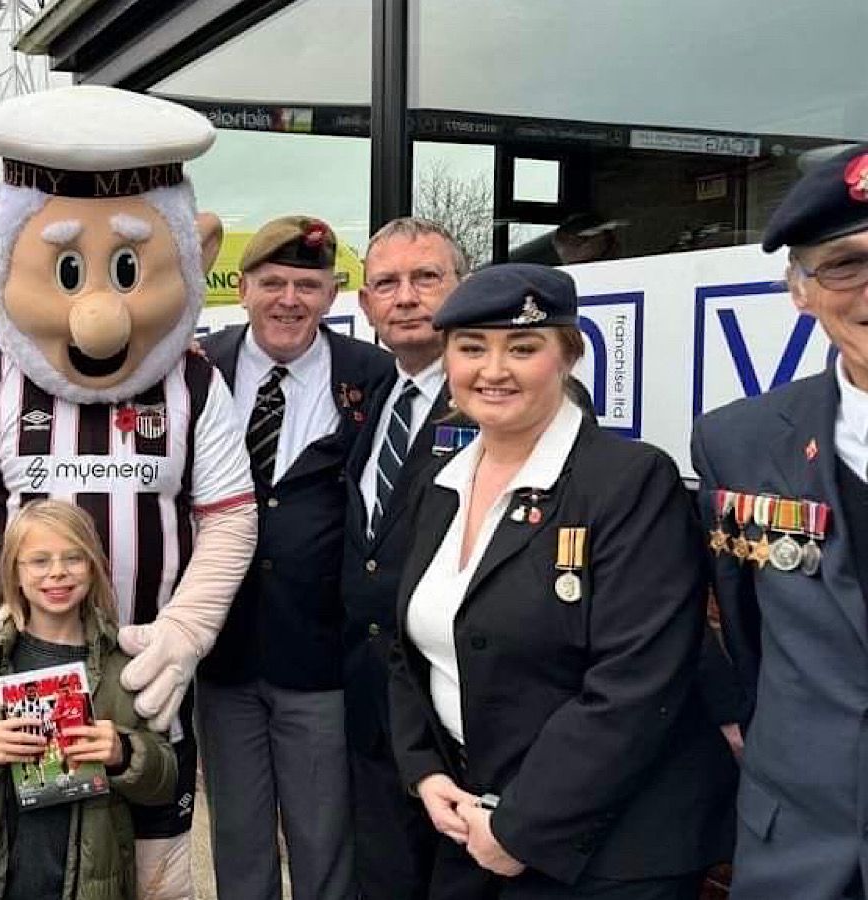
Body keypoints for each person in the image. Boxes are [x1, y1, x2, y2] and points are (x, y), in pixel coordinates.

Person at [0, 86, 258, 899]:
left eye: (131, 268)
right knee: (27, 866)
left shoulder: (197, 387)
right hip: (21, 696)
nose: (99, 317)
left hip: (140, 695)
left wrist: (187, 628)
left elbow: (229, 520)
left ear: (195, 250)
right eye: (65, 271)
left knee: (153, 870)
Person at [389, 263, 734, 899]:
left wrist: (522, 826)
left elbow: (633, 683)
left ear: (568, 357)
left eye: (523, 348)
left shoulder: (630, 482)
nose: (493, 371)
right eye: (471, 349)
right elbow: (410, 644)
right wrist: (424, 770)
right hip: (472, 822)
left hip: (612, 849)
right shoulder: (443, 483)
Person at [194, 215, 392, 900]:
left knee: (323, 844)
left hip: (321, 657)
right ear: (242, 288)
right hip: (221, 655)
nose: (289, 299)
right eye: (272, 282)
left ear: (333, 294)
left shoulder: (374, 377)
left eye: (307, 285)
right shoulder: (197, 369)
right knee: (239, 845)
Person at [693, 143, 868, 900]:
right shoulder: (740, 440)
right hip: (797, 848)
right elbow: (746, 631)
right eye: (845, 264)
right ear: (800, 291)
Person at [0, 500, 177, 900]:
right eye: (39, 561)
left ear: (92, 567)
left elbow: (164, 782)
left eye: (73, 558)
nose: (57, 572)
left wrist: (124, 752)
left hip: (90, 883)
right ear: (15, 573)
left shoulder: (124, 664)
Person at [344, 217, 469, 899]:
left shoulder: (500, 398)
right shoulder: (377, 394)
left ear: (463, 289)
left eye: (427, 278)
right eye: (386, 283)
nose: (407, 297)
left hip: (460, 714)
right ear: (366, 306)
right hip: (373, 703)